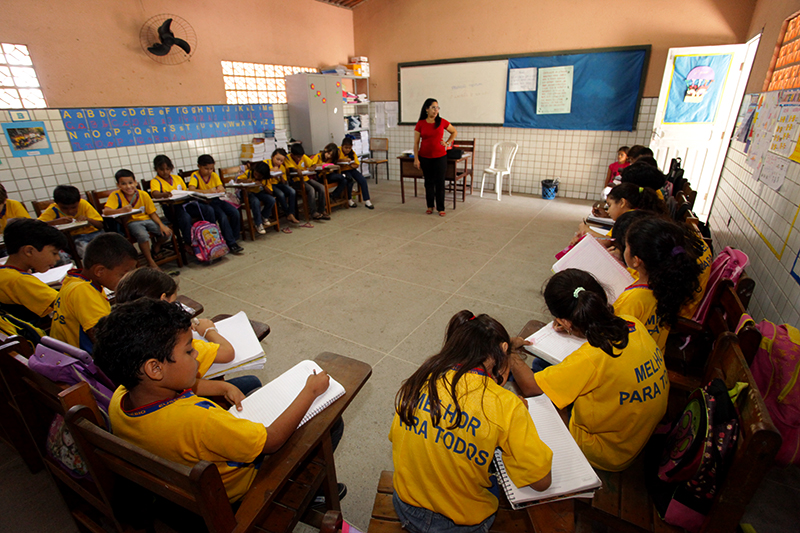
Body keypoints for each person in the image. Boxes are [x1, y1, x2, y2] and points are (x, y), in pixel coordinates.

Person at [94, 298, 333, 503]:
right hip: (237, 491)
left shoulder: (120, 398)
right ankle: (307, 495)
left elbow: (185, 397)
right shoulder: (200, 419)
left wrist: (222, 385)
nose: (196, 353)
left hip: (182, 478)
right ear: (155, 368)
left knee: (248, 383)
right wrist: (309, 391)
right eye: (189, 351)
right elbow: (271, 442)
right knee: (327, 422)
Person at [390, 310, 552, 531]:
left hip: (406, 507)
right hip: (462, 525)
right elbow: (542, 483)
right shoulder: (506, 404)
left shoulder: (422, 378)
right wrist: (514, 418)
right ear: (504, 352)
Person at [510, 269, 669, 472]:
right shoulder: (632, 323)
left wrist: (511, 353)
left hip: (609, 450)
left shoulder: (590, 357)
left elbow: (531, 387)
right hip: (635, 431)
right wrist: (577, 326)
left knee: (527, 401)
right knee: (542, 367)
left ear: (566, 321)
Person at [114, 267, 261, 396]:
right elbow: (228, 353)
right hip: (188, 396)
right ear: (163, 300)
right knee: (252, 381)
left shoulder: (124, 338)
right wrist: (209, 330)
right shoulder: (173, 344)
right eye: (174, 304)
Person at [616, 217, 704, 351]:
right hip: (653, 356)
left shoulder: (633, 300)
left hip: (630, 364)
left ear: (636, 260)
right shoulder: (669, 285)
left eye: (626, 246)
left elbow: (613, 340)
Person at [50, 233, 138, 353]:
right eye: (123, 274)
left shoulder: (75, 280)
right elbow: (103, 340)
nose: (127, 279)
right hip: (82, 364)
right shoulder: (83, 291)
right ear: (99, 271)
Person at [0, 219, 67, 325]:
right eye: (54, 253)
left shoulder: (5, 273)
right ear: (29, 251)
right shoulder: (20, 280)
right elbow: (64, 304)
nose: (58, 258)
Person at [103, 169, 173, 270]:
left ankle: (156, 246)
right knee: (143, 236)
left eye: (130, 183)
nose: (128, 186)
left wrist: (161, 225)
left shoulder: (143, 194)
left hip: (147, 219)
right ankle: (150, 261)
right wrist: (121, 210)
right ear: (118, 185)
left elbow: (152, 213)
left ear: (135, 182)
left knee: (167, 232)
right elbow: (106, 211)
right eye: (123, 184)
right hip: (132, 222)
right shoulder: (116, 195)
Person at [150, 155, 217, 251]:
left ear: (171, 168)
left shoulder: (177, 178)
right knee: (185, 218)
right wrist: (164, 194)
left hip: (185, 204)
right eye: (162, 169)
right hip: (171, 208)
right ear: (156, 169)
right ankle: (190, 243)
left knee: (208, 209)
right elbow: (155, 193)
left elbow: (185, 191)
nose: (165, 172)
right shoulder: (155, 181)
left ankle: (213, 236)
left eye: (168, 169)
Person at [187, 155, 244, 254]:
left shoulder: (213, 175)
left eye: (211, 168)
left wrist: (220, 189)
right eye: (206, 169)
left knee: (234, 212)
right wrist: (207, 191)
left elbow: (221, 187)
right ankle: (231, 243)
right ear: (199, 166)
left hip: (217, 200)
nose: (209, 171)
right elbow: (191, 190)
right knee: (222, 217)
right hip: (206, 203)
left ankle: (233, 238)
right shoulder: (195, 176)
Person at [413, 98, 457, 216]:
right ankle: (430, 206)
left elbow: (454, 132)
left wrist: (447, 143)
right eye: (433, 108)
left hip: (440, 157)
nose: (436, 110)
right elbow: (416, 143)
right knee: (428, 182)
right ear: (426, 109)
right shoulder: (421, 124)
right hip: (425, 157)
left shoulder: (442, 122)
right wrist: (416, 158)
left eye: (437, 108)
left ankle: (441, 208)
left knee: (440, 182)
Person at [37, 185, 104, 259]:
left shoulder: (83, 204)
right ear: (56, 203)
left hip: (94, 234)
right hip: (73, 239)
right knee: (86, 250)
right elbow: (36, 225)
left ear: (78, 201)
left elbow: (100, 225)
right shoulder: (54, 209)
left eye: (74, 207)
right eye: (64, 208)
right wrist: (55, 222)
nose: (70, 211)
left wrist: (88, 219)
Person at [266, 148, 307, 231]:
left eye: (281, 161)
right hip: (269, 185)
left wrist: (280, 175)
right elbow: (262, 173)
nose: (279, 162)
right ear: (272, 157)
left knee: (292, 191)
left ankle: (291, 213)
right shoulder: (266, 163)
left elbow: (284, 182)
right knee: (281, 194)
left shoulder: (282, 167)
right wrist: (271, 171)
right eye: (277, 159)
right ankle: (288, 213)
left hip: (278, 184)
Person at [286, 144, 329, 220]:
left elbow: (312, 164)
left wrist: (312, 167)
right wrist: (296, 170)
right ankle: (313, 212)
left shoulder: (303, 156)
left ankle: (322, 209)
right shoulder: (288, 158)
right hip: (295, 181)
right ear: (292, 155)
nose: (299, 158)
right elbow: (290, 169)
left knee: (321, 187)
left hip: (306, 178)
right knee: (310, 189)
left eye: (301, 157)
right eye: (297, 157)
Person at [236, 161, 277, 234]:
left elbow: (271, 192)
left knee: (271, 200)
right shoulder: (248, 173)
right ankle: (258, 223)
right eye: (255, 174)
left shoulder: (266, 179)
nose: (257, 177)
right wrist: (246, 181)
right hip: (247, 193)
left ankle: (264, 216)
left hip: (258, 192)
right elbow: (238, 180)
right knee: (255, 201)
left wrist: (262, 185)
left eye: (259, 176)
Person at [311, 143, 350, 209]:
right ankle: (344, 176)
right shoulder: (318, 156)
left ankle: (333, 196)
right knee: (342, 178)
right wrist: (321, 165)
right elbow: (311, 166)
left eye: (331, 156)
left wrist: (332, 168)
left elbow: (332, 165)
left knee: (344, 181)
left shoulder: (330, 159)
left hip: (329, 175)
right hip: (320, 176)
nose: (329, 156)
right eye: (328, 154)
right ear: (325, 149)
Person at [338, 137, 374, 209]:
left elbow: (356, 164)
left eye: (349, 148)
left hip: (351, 169)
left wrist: (351, 164)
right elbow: (334, 161)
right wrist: (344, 160)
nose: (348, 149)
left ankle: (367, 200)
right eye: (346, 148)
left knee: (362, 180)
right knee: (350, 180)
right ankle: (349, 199)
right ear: (342, 146)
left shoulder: (352, 153)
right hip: (342, 170)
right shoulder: (338, 151)